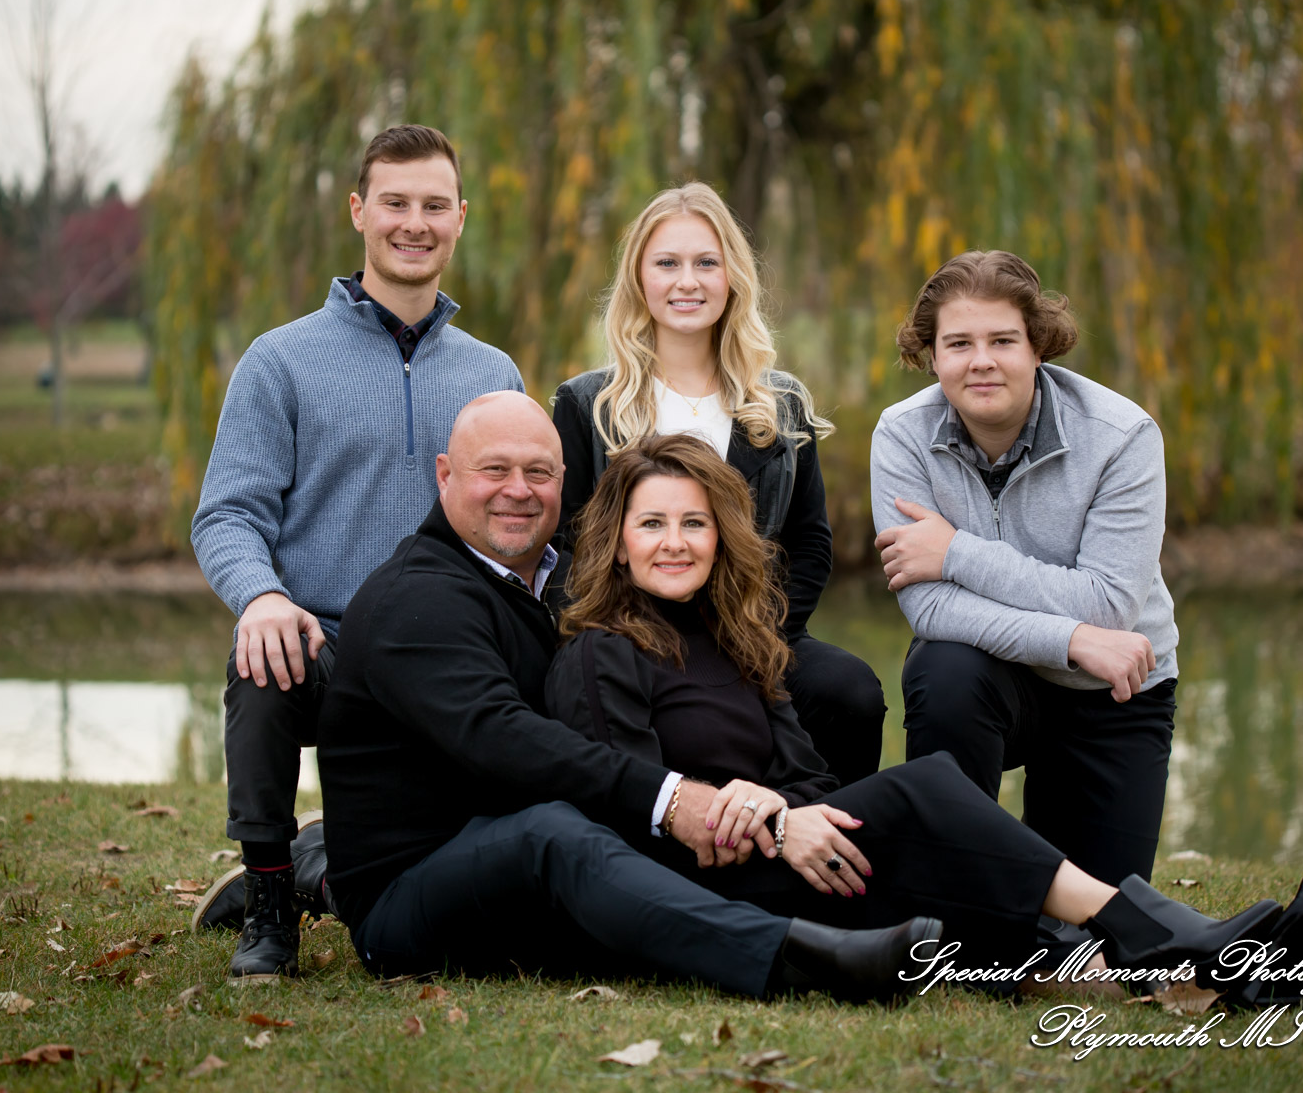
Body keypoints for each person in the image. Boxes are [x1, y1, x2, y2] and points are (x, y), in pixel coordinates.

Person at [543, 433, 1303, 1001]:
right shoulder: (598, 654)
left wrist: (789, 811)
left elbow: (814, 780)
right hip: (709, 892)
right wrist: (752, 811)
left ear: (721, 538)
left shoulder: (742, 647)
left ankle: (1226, 960)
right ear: (616, 543)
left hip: (788, 854)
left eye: (694, 523)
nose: (676, 543)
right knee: (923, 790)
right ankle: (1160, 933)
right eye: (652, 525)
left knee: (920, 826)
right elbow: (621, 812)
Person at [315, 391, 939, 1003]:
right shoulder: (415, 600)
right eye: (494, 471)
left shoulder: (551, 585)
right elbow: (501, 739)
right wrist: (673, 799)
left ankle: (970, 913)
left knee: (851, 729)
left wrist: (766, 803)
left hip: (536, 852)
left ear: (565, 480)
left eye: (539, 472)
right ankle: (803, 957)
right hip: (413, 892)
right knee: (553, 833)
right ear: (446, 476)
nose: (518, 489)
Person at [190, 125, 523, 979]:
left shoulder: (495, 375)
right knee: (259, 662)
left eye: (434, 206)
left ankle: (320, 865)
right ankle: (270, 899)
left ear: (460, 220)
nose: (415, 223)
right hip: (324, 645)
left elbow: (522, 522)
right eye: (396, 203)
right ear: (358, 212)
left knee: (434, 897)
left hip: (447, 651)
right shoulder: (281, 362)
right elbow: (226, 515)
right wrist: (262, 597)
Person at [550, 182, 886, 787]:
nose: (688, 281)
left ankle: (842, 850)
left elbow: (810, 545)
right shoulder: (588, 406)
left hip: (758, 634)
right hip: (629, 636)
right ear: (639, 279)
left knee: (851, 689)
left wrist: (752, 637)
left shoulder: (781, 405)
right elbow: (569, 547)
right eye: (668, 263)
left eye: (707, 262)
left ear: (732, 276)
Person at [871, 250, 1178, 888]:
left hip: (1112, 688)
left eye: (1002, 340)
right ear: (932, 357)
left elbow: (1109, 608)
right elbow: (929, 608)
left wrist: (954, 552)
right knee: (941, 666)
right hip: (991, 682)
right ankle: (956, 903)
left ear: (1038, 346)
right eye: (958, 343)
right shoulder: (901, 434)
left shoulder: (1123, 436)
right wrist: (1072, 639)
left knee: (1097, 926)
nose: (980, 360)